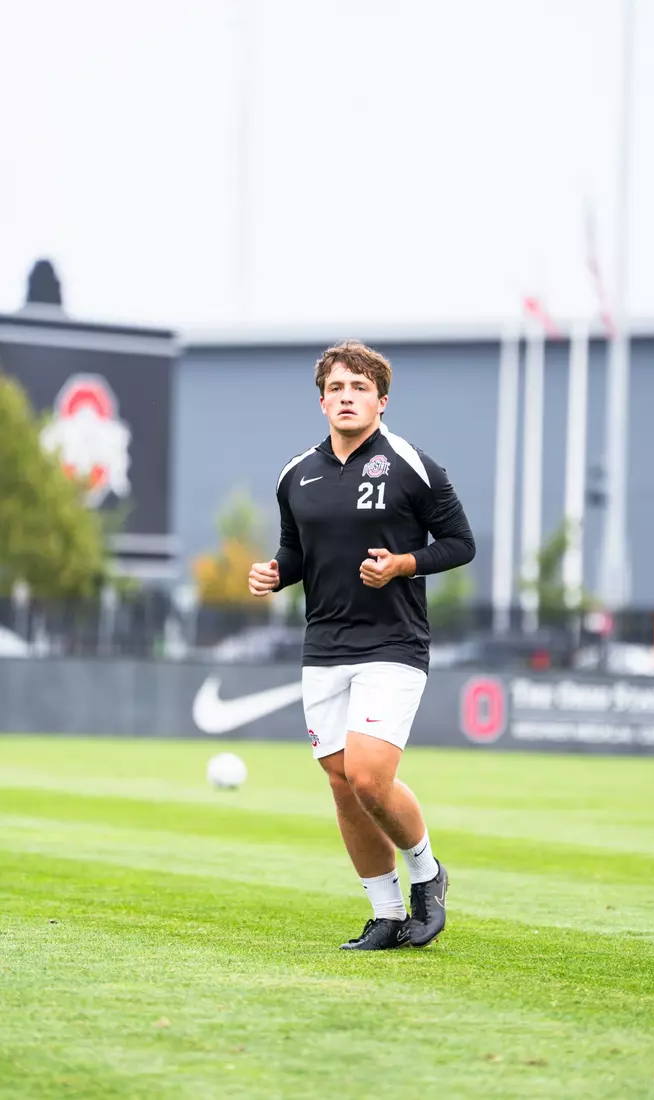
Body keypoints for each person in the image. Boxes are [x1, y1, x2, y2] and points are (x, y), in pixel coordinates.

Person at [248, 340, 475, 951]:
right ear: (321, 400)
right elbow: (296, 552)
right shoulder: (296, 474)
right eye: (337, 388)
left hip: (394, 642)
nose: (347, 398)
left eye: (359, 388)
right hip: (324, 645)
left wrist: (404, 563)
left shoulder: (411, 465)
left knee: (370, 777)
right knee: (342, 785)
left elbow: (460, 543)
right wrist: (275, 572)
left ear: (382, 399)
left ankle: (428, 873)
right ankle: (385, 913)